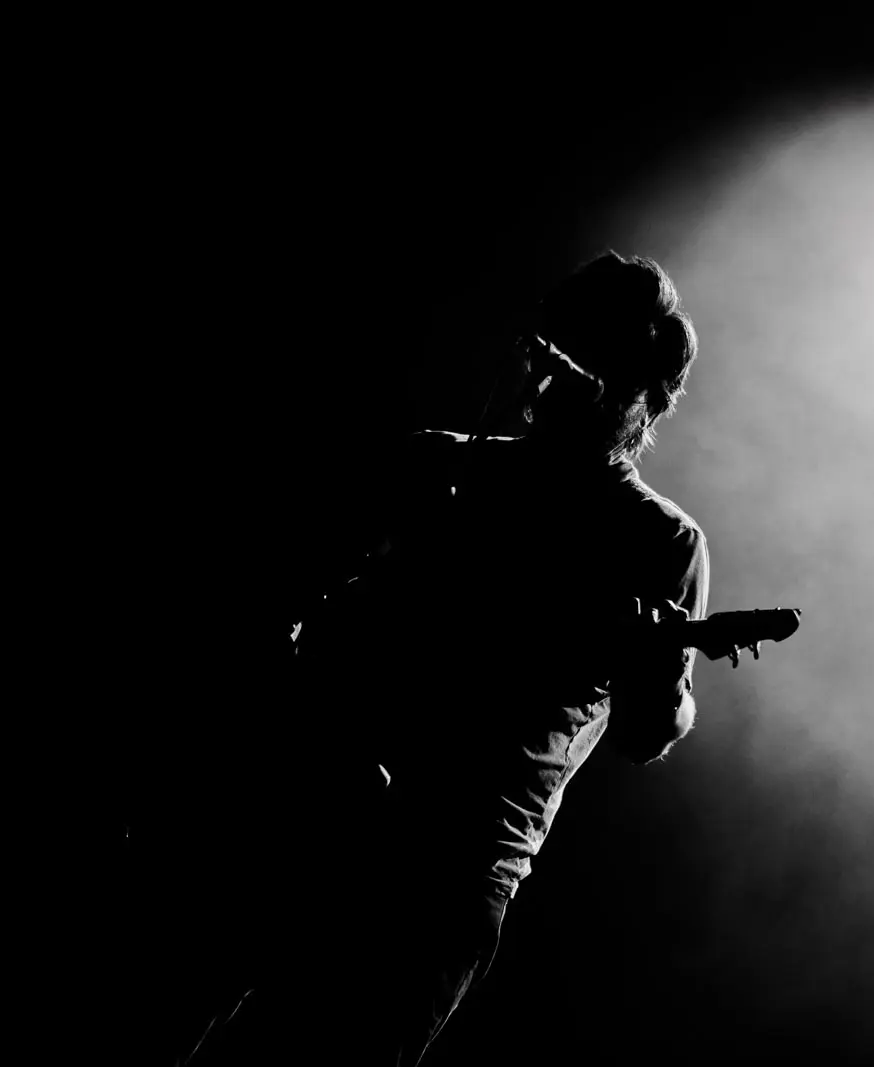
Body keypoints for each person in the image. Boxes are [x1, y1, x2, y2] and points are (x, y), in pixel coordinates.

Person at [187, 251, 710, 1065]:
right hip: (302, 801)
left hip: (449, 870)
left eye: (601, 372)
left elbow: (649, 731)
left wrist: (664, 680)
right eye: (564, 351)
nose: (569, 381)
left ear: (646, 397)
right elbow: (281, 593)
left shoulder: (661, 540)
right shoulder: (438, 460)